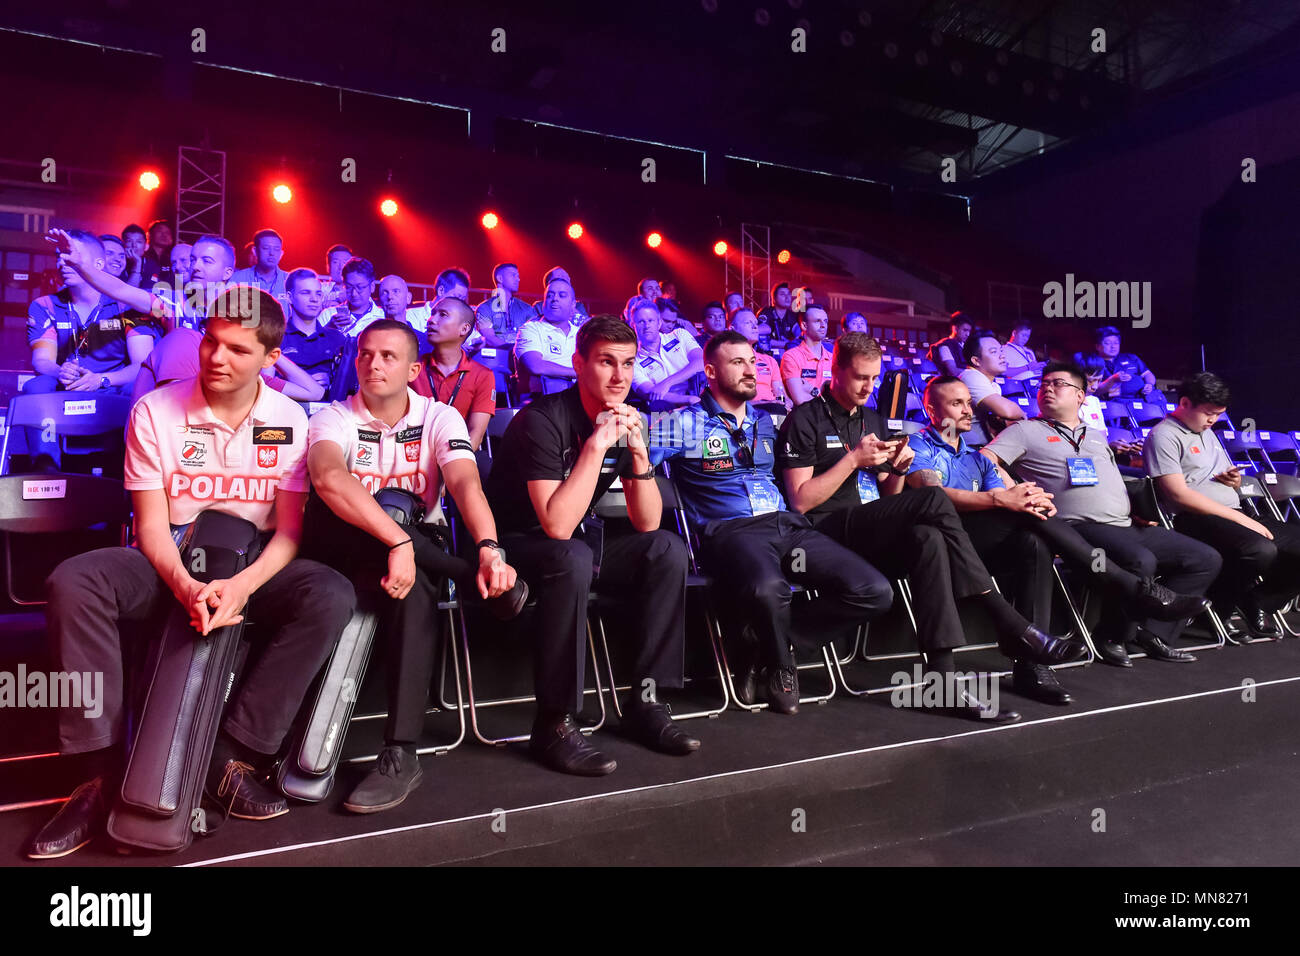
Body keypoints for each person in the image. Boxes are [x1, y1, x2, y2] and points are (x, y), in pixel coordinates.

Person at [24, 286, 355, 859]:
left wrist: (239, 587)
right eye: (210, 342)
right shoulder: (155, 408)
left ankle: (230, 756)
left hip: (248, 564)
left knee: (330, 592)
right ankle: (97, 776)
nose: (216, 358)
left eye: (236, 349)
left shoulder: (290, 420)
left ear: (271, 359)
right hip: (169, 557)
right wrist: (187, 584)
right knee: (75, 580)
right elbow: (150, 528)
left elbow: (290, 535)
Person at [778, 334, 1087, 719]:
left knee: (928, 536)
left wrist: (898, 469)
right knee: (935, 498)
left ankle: (942, 683)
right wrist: (854, 460)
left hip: (871, 524)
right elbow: (802, 501)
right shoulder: (804, 418)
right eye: (859, 377)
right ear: (836, 370)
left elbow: (890, 499)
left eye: (874, 378)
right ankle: (1008, 621)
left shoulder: (874, 419)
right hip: (823, 532)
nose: (867, 387)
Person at [305, 319, 525, 812]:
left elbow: (466, 483)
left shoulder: (439, 416)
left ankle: (400, 753)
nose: (373, 364)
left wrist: (489, 548)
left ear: (413, 368)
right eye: (365, 354)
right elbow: (328, 478)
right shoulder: (332, 416)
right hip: (344, 543)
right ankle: (466, 576)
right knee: (377, 506)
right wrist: (399, 539)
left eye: (387, 356)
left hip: (413, 548)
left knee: (416, 584)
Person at [485, 315, 701, 775]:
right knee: (571, 554)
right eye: (606, 362)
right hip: (515, 548)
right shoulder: (540, 421)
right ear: (578, 364)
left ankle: (646, 703)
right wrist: (596, 447)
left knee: (666, 549)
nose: (620, 376)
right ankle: (555, 723)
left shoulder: (625, 418)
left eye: (627, 364)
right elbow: (556, 525)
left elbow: (648, 522)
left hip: (579, 543)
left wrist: (639, 454)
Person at [909, 375, 1210, 703]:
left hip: (983, 544)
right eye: (957, 404)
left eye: (968, 402)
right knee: (1024, 515)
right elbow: (931, 495)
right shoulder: (917, 445)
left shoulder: (977, 458)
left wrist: (1026, 496)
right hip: (942, 544)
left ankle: (1031, 666)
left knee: (1034, 539)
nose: (968, 410)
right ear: (931, 408)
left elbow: (1003, 494)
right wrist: (1005, 501)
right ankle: (1133, 587)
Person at [654, 331, 893, 714]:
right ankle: (781, 666)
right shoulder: (679, 422)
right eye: (738, 363)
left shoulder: (766, 422)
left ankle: (763, 643)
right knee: (770, 588)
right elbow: (625, 457)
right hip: (727, 531)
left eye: (752, 361)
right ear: (710, 371)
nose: (751, 370)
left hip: (786, 527)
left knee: (874, 591)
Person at [982, 361, 1222, 666]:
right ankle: (1112, 637)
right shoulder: (1025, 430)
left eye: (1058, 384)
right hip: (1079, 526)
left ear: (1081, 396)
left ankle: (1152, 634)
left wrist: (1134, 509)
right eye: (1044, 384)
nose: (1047, 388)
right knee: (1140, 560)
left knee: (1205, 558)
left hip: (1125, 523)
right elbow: (985, 458)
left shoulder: (1095, 434)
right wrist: (1016, 488)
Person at [1146, 372, 1300, 640]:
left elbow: (1220, 476)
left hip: (1234, 514)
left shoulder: (1208, 433)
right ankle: (1218, 608)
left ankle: (1259, 602)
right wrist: (1239, 518)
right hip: (1193, 519)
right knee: (1259, 550)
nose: (1212, 420)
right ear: (1184, 403)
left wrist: (1234, 479)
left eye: (1218, 414)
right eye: (1208, 413)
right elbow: (1178, 495)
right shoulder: (1164, 436)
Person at [23, 230, 155, 468]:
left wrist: (102, 379)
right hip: (66, 386)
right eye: (59, 256)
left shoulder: (128, 305)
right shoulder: (44, 305)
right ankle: (47, 474)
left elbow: (143, 364)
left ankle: (131, 477)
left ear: (97, 264)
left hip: (110, 386)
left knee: (140, 387)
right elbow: (42, 360)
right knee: (36, 386)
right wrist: (60, 372)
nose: (63, 262)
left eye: (71, 256)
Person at [411, 296, 496, 450]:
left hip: (458, 455)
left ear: (464, 329)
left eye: (442, 314)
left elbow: (475, 435)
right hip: (413, 454)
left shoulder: (483, 375)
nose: (431, 320)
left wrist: (452, 461)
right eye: (433, 313)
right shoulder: (412, 368)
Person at [628, 297, 703, 409]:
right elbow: (648, 392)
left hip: (699, 395)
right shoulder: (632, 360)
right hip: (668, 408)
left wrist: (666, 383)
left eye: (650, 320)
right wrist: (687, 400)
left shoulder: (679, 335)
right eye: (641, 322)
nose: (646, 325)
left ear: (659, 323)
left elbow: (701, 362)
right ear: (633, 326)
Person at [279, 268, 347, 391]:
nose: (314, 299)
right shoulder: (276, 338)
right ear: (289, 297)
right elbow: (264, 384)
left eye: (318, 294)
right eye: (306, 292)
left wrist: (332, 381)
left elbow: (349, 387)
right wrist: (301, 384)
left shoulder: (337, 339)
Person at [514, 276, 581, 397]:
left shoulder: (581, 334)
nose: (554, 299)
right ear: (543, 303)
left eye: (562, 295)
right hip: (543, 400)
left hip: (580, 397)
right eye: (549, 295)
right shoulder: (531, 329)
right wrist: (578, 373)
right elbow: (535, 366)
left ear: (573, 305)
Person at [960, 328, 1026, 434]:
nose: (1002, 356)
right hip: (968, 447)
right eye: (994, 352)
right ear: (976, 361)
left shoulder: (994, 386)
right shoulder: (970, 377)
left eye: (1001, 350)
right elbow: (1007, 410)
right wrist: (1023, 416)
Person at [729, 308, 786, 409]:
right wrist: (758, 403)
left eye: (756, 323)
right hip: (745, 414)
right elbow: (725, 401)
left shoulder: (769, 361)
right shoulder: (726, 361)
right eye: (748, 322)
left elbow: (780, 393)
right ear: (732, 329)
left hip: (773, 411)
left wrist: (787, 404)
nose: (755, 326)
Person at [779, 305, 833, 406]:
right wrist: (825, 398)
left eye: (825, 321)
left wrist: (812, 390)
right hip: (804, 418)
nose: (823, 325)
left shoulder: (833, 358)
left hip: (831, 418)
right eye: (817, 321)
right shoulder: (791, 356)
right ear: (804, 326)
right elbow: (800, 400)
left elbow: (839, 398)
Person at [473, 261, 534, 349]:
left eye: (518, 276)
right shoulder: (484, 308)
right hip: (496, 359)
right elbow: (489, 338)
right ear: (500, 278)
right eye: (513, 275)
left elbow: (534, 336)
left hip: (521, 359)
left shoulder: (527, 308)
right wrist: (512, 350)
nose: (518, 279)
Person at [1090, 326, 1159, 400]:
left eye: (1116, 343)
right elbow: (1094, 391)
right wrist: (1113, 379)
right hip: (1114, 403)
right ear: (1098, 346)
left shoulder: (1131, 358)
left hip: (1141, 399)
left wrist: (1150, 384)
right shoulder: (1093, 363)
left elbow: (1147, 374)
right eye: (1108, 343)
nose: (1113, 346)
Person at [324, 257, 385, 337]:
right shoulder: (328, 314)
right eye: (349, 287)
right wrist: (329, 327)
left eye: (360, 287)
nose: (354, 293)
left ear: (372, 286)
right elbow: (312, 346)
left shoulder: (383, 317)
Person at [229, 229, 289, 302]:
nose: (272, 253)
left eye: (276, 249)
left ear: (281, 254)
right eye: (266, 248)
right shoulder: (238, 278)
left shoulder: (290, 280)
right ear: (255, 251)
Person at [377, 274, 432, 347]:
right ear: (380, 300)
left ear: (408, 297)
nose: (390, 296)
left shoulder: (424, 341)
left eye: (396, 291)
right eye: (384, 292)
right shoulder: (370, 337)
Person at [927, 313, 973, 377]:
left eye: (969, 331)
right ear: (955, 329)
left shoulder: (965, 346)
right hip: (952, 384)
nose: (967, 334)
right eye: (965, 330)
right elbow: (953, 371)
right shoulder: (944, 347)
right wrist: (975, 373)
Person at [319, 243, 353, 311]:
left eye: (345, 262)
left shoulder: (357, 292)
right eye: (335, 262)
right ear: (328, 266)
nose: (341, 267)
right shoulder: (318, 289)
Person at [120, 224, 148, 289]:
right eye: (129, 241)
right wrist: (137, 263)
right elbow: (127, 293)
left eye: (139, 242)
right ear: (123, 243)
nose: (134, 245)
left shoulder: (152, 265)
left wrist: (137, 262)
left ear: (145, 245)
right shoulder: (118, 262)